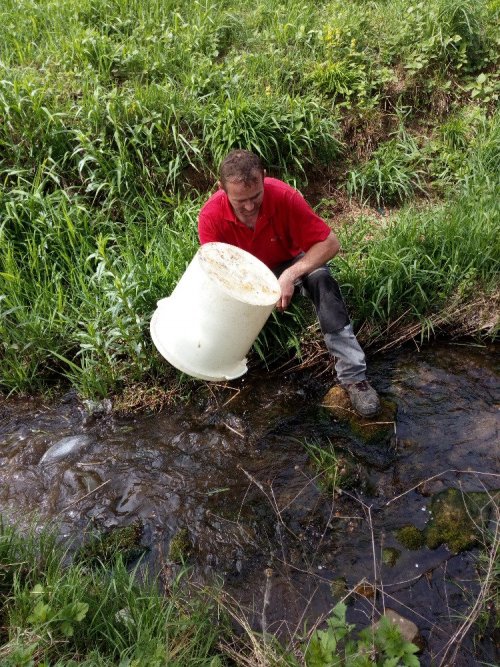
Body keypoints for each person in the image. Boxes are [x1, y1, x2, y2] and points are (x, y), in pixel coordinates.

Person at [198, 149, 380, 417]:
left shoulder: (284, 196)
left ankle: (354, 377)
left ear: (264, 177)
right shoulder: (210, 217)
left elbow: (330, 244)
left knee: (323, 281)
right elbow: (216, 273)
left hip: (289, 261)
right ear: (221, 189)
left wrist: (290, 275)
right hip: (244, 275)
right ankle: (221, 368)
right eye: (240, 201)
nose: (249, 207)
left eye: (255, 196)